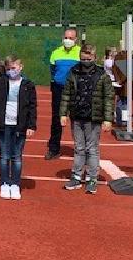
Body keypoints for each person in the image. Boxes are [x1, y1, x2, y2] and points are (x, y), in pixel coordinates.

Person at [60, 44, 114, 194]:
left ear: (94, 58)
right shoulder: (74, 72)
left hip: (93, 117)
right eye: (83, 59)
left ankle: (92, 179)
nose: (86, 61)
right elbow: (66, 93)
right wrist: (63, 113)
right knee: (79, 148)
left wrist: (108, 119)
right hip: (77, 115)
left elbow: (108, 97)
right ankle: (76, 176)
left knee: (92, 149)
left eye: (88, 59)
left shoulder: (102, 75)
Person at [0, 55, 36, 200]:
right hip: (3, 125)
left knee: (17, 157)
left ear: (21, 67)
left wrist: (31, 125)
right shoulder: (0, 82)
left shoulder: (28, 85)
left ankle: (15, 184)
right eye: (8, 69)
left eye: (13, 68)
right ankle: (4, 183)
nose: (11, 71)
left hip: (20, 126)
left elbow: (32, 107)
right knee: (4, 156)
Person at [46, 27, 81, 159]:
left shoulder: (80, 52)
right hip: (59, 88)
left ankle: (79, 148)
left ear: (76, 40)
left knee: (76, 118)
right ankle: (54, 148)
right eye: (66, 38)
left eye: (71, 38)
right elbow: (53, 70)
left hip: (75, 90)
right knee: (57, 119)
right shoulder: (56, 53)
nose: (68, 40)